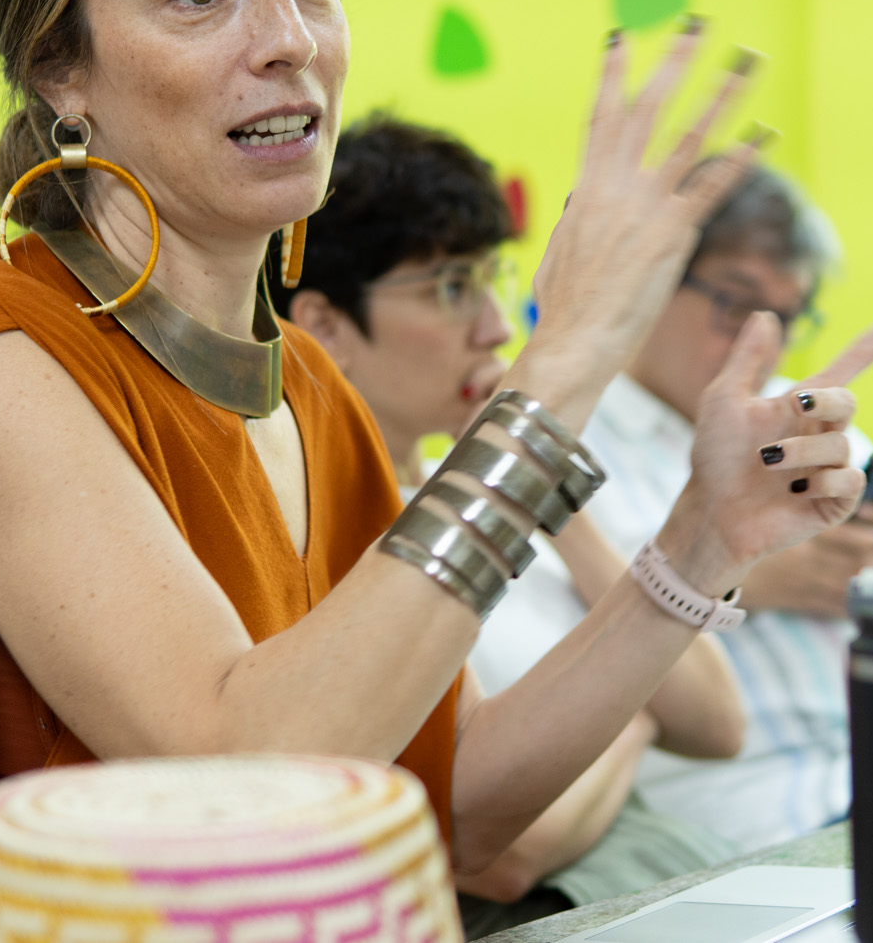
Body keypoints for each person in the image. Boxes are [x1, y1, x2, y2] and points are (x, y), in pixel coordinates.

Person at [0, 0, 873, 941]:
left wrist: (703, 537)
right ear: (63, 70)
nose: (289, 40)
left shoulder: (311, 388)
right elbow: (245, 787)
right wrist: (557, 373)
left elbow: (446, 816)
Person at [274, 112, 744, 935]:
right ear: (325, 326)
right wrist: (632, 714)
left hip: (659, 873)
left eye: (494, 278)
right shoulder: (344, 531)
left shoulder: (499, 489)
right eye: (451, 287)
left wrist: (555, 505)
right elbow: (504, 849)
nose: (495, 325)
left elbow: (714, 722)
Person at [476, 166, 873, 855]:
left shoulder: (797, 410)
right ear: (658, 282)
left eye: (787, 317)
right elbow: (556, 652)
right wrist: (739, 575)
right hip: (757, 812)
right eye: (734, 305)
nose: (759, 343)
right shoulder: (570, 441)